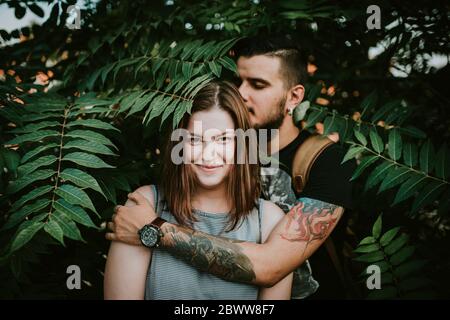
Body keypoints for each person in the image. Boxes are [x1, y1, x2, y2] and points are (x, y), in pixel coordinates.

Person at [106, 35, 355, 299]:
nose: (241, 93)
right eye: (238, 82)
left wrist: (154, 229)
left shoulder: (327, 162)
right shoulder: (177, 179)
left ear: (294, 97)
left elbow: (270, 267)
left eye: (257, 85)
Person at [104, 80, 293, 299]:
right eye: (194, 139)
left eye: (223, 139)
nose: (208, 153)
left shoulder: (269, 221)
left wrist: (156, 229)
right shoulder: (146, 204)